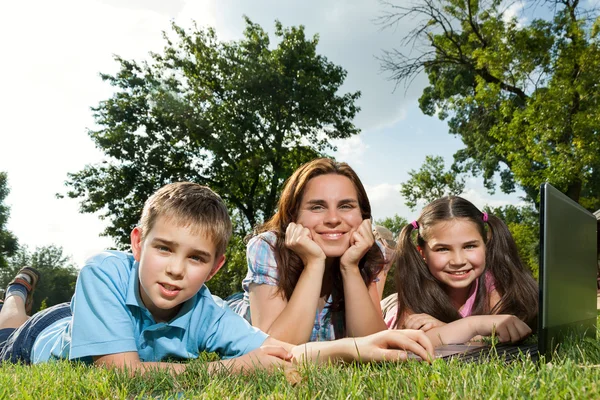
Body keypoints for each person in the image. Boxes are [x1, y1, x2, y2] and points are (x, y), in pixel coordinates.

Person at [0, 182, 435, 374]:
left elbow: (278, 354)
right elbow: (120, 376)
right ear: (137, 243)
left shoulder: (205, 309)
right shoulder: (103, 272)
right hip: (44, 334)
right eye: (164, 248)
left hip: (85, 320)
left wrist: (356, 347)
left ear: (216, 268)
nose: (175, 269)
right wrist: (231, 370)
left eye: (196, 258)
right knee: (11, 323)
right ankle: (17, 292)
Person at [235, 158, 388, 344]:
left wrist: (351, 267)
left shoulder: (369, 252)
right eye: (317, 207)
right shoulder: (268, 247)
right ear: (293, 216)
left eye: (346, 206)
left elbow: (374, 347)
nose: (333, 219)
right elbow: (276, 352)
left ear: (363, 216)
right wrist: (314, 264)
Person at [384, 196, 538, 343]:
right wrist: (474, 325)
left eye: (470, 246)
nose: (458, 261)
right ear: (422, 253)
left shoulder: (494, 285)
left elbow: (503, 335)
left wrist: (445, 329)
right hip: (389, 305)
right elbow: (413, 342)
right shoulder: (413, 292)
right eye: (443, 249)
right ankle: (381, 262)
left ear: (485, 245)